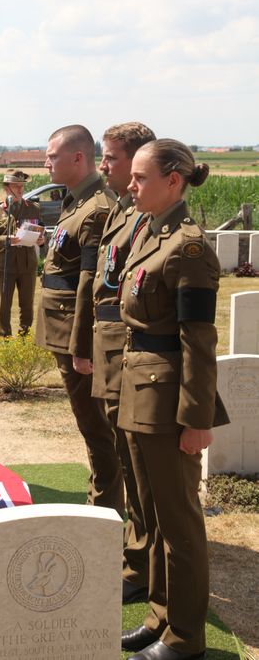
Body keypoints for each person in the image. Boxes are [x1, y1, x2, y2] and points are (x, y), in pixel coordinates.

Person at [118, 139, 220, 660]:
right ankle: (161, 617)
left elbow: (198, 340)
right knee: (153, 516)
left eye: (140, 178)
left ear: (173, 180)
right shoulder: (149, 232)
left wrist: (197, 420)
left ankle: (185, 638)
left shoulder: (189, 247)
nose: (131, 186)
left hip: (167, 401)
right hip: (139, 390)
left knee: (179, 523)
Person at [35, 124, 124, 511]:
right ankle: (102, 503)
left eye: (52, 155)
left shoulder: (95, 209)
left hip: (77, 334)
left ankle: (105, 509)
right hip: (62, 329)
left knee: (97, 429)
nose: (46, 162)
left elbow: (91, 284)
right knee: (90, 426)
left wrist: (81, 346)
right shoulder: (75, 201)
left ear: (77, 158)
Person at [93, 121, 156, 603]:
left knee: (137, 467)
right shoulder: (123, 210)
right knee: (122, 455)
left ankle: (141, 566)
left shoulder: (145, 215)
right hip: (110, 345)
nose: (105, 165)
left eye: (112, 157)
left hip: (128, 349)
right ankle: (136, 558)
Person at [0, 170, 44, 337]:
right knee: (4, 305)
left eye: (22, 186)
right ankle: (5, 338)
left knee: (27, 305)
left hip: (27, 263)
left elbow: (41, 231)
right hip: (5, 264)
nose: (20, 189)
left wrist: (41, 240)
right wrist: (7, 239)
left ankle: (24, 337)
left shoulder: (33, 208)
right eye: (15, 186)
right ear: (6, 188)